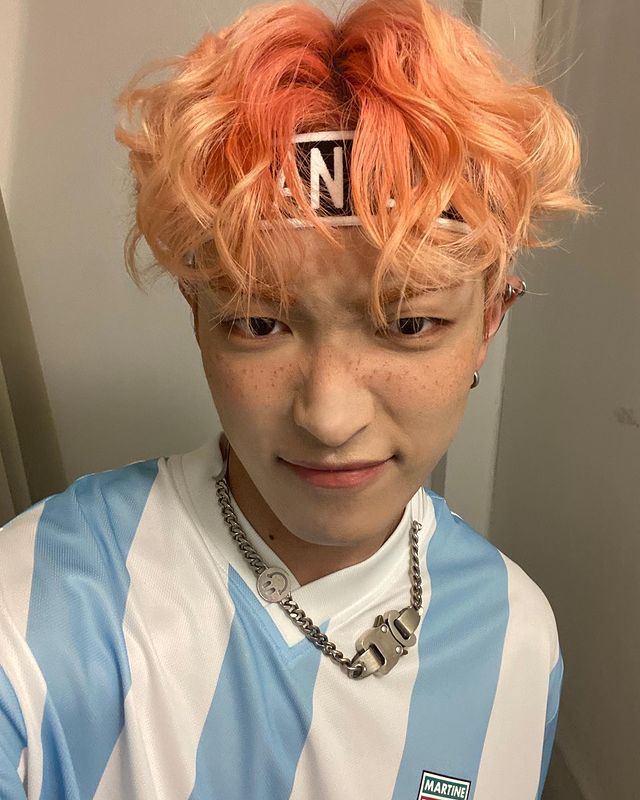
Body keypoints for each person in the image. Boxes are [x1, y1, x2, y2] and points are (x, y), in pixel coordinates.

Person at [0, 0, 592, 797]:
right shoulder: (35, 606)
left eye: (409, 322)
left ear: (488, 322)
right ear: (197, 315)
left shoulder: (518, 636)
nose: (329, 418)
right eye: (258, 322)